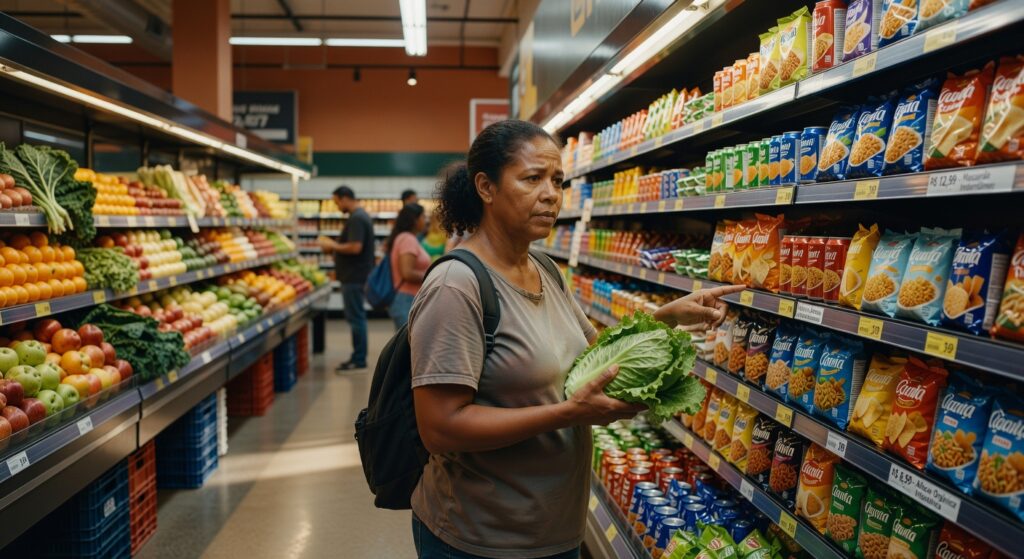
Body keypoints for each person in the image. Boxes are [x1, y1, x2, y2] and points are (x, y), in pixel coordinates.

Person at [408, 119, 744, 559]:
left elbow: (595, 356)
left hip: (554, 529)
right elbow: (440, 428)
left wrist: (668, 317)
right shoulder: (457, 285)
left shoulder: (546, 270)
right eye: (532, 179)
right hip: (481, 538)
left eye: (557, 180)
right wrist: (568, 413)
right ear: (486, 187)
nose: (550, 194)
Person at [318, 186, 375, 371]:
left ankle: (359, 359)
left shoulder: (357, 218)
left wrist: (333, 245)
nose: (336, 206)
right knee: (356, 317)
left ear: (345, 198)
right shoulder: (359, 217)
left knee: (356, 318)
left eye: (336, 202)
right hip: (355, 276)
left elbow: (355, 247)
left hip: (354, 277)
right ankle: (357, 356)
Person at [385, 203, 431, 328]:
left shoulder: (405, 238)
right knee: (409, 345)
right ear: (414, 220)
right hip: (407, 300)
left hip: (406, 299)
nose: (425, 221)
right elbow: (407, 273)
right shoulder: (408, 240)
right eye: (423, 217)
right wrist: (431, 275)